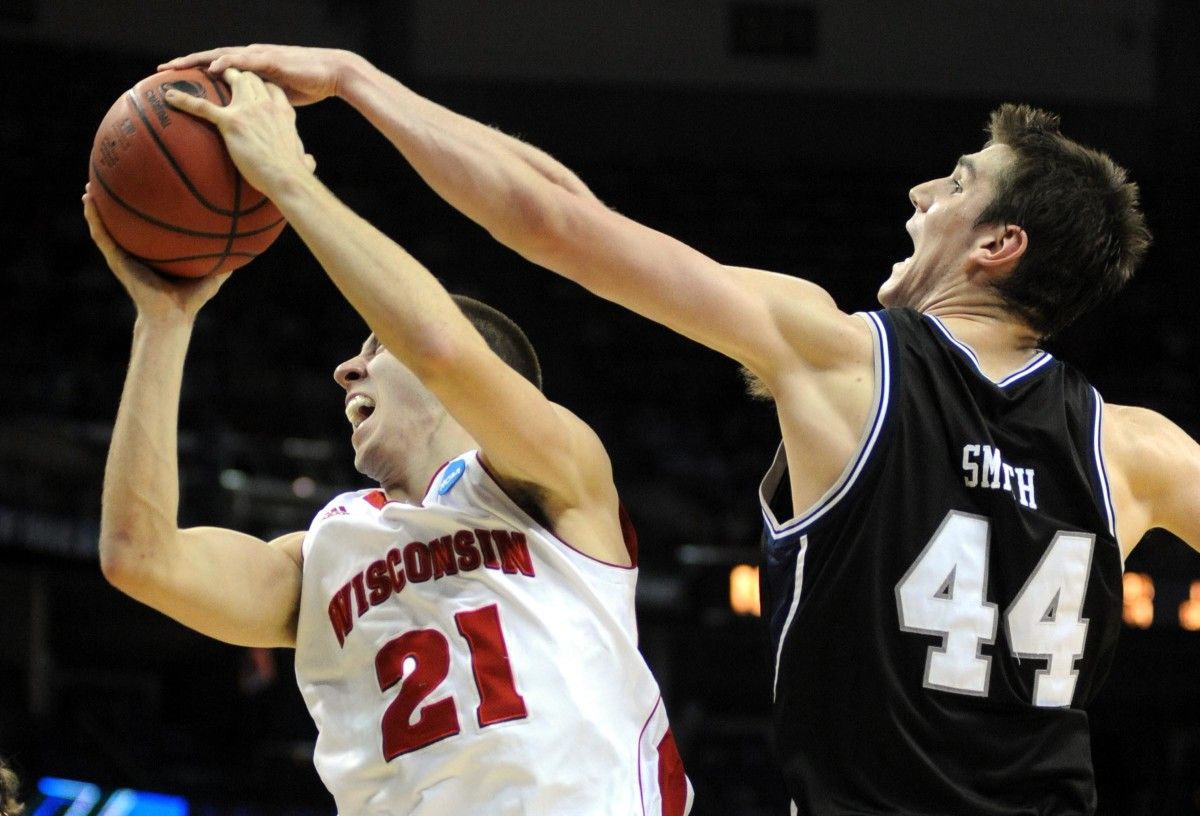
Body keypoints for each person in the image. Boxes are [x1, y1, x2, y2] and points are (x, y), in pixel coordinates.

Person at [159, 45, 1200, 815]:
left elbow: (559, 221)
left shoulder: (842, 360)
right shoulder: (1139, 451)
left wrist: (354, 83)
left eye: (960, 183)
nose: (925, 194)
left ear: (998, 246)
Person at [87, 66, 691, 815]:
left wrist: (289, 177)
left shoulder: (557, 479)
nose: (346, 370)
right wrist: (163, 324)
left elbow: (438, 343)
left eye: (375, 347)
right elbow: (139, 557)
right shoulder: (331, 548)